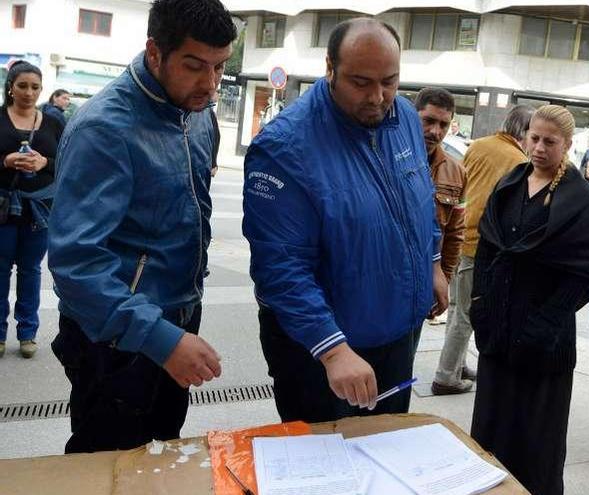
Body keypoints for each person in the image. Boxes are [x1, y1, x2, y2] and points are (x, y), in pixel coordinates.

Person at [48, 0, 236, 453]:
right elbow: (76, 265)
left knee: (162, 455)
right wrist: (161, 338)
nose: (210, 85)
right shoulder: (104, 128)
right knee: (108, 464)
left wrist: (179, 327)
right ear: (155, 52)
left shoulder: (196, 112)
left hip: (179, 317)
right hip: (116, 336)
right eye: (194, 67)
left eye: (220, 68)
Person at [243, 18, 447, 423]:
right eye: (360, 82)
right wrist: (332, 349)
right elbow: (280, 267)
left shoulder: (404, 116)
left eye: (389, 81)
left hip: (397, 336)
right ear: (329, 68)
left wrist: (434, 263)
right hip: (324, 351)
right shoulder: (284, 148)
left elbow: (419, 201)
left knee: (386, 457)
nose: (378, 97)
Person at [470, 105, 589, 495]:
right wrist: (480, 304)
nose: (540, 147)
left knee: (536, 442)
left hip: (544, 342)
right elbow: (487, 249)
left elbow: (584, 274)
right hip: (498, 331)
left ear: (567, 145)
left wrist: (544, 326)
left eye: (550, 141)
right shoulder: (511, 182)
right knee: (491, 432)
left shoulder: (581, 199)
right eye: (534, 138)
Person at [432, 104, 533, 395]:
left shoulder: (480, 145)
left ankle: (457, 364)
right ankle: (446, 376)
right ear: (523, 132)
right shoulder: (518, 160)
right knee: (467, 315)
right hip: (481, 244)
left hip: (460, 236)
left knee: (456, 309)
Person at [0, 61, 63, 359]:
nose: (28, 92)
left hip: (40, 210)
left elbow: (70, 161)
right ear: (10, 86)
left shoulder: (52, 123)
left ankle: (27, 333)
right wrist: (6, 161)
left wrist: (44, 163)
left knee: (30, 270)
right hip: (3, 209)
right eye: (22, 85)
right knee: (0, 271)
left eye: (35, 87)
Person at [415, 87, 466, 325]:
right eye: (429, 121)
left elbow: (455, 233)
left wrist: (443, 277)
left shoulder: (457, 172)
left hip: (425, 282)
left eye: (444, 125)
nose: (436, 131)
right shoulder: (386, 158)